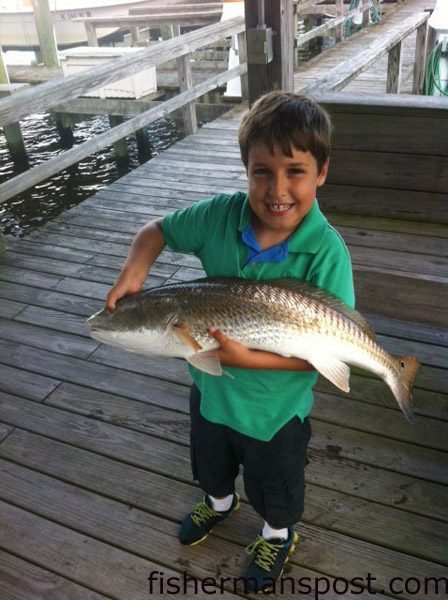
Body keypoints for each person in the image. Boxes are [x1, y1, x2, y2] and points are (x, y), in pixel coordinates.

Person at [106, 91, 354, 592]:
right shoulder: (221, 216)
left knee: (276, 486)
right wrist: (137, 267)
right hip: (212, 397)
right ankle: (220, 502)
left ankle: (277, 534)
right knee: (211, 466)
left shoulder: (328, 254)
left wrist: (249, 359)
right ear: (245, 170)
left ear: (321, 172)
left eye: (295, 171)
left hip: (275, 416)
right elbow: (155, 230)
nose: (277, 189)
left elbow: (315, 360)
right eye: (262, 171)